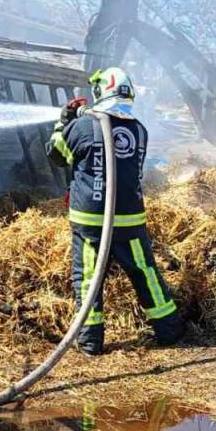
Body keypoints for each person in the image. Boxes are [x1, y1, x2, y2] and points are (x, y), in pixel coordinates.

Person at [45, 67, 185, 356]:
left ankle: (90, 340)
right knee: (145, 273)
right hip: (131, 218)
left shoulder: (83, 127)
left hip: (91, 221)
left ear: (100, 92)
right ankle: (169, 330)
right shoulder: (139, 130)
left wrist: (63, 122)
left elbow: (56, 155)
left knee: (87, 278)